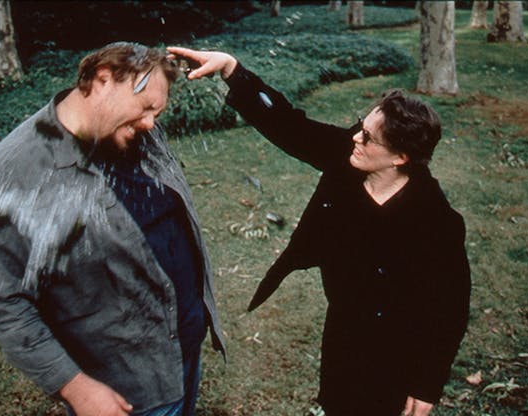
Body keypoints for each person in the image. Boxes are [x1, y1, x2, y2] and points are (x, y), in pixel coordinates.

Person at [167, 47, 471, 416]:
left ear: (400, 157)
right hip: (344, 336)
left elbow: (449, 309)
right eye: (361, 125)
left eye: (369, 138)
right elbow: (290, 127)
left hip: (397, 352)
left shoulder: (437, 222)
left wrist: (426, 386)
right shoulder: (349, 162)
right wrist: (233, 70)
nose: (356, 137)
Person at [0, 42, 225, 416]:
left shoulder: (132, 131)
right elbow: (2, 300)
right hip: (127, 388)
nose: (151, 124)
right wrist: (75, 387)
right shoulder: (17, 169)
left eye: (157, 113)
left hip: (183, 349)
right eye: (145, 108)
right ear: (102, 80)